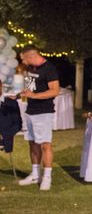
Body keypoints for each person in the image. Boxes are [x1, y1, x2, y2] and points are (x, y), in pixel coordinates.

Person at [18, 45, 60, 191]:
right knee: (33, 143)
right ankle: (35, 175)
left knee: (45, 144)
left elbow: (55, 91)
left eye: (23, 58)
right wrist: (22, 93)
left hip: (44, 112)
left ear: (31, 56)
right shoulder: (30, 69)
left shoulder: (49, 68)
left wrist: (34, 96)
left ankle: (47, 177)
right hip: (30, 111)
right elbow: (30, 88)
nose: (22, 61)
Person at [0, 78, 23, 153]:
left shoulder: (11, 103)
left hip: (5, 136)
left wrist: (5, 138)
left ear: (1, 86)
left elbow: (18, 124)